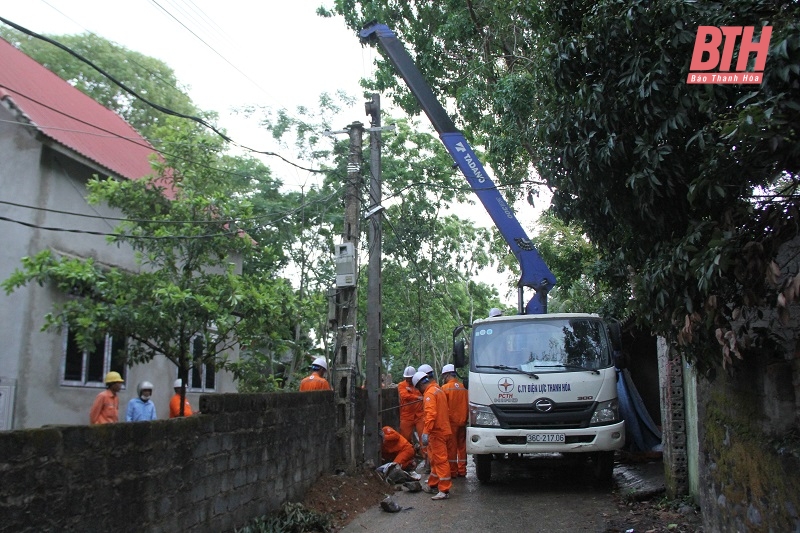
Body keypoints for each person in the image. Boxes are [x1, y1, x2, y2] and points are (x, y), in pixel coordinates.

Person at [413, 370, 452, 500]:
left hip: (437, 432)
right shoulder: (438, 390)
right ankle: (433, 484)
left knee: (440, 460)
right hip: (443, 429)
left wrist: (426, 432)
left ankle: (444, 489)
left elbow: (431, 415)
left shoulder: (429, 394)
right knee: (435, 459)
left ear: (420, 385)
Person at [441, 364, 468, 477]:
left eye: (444, 376)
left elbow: (442, 407)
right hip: (463, 421)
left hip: (451, 423)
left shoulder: (444, 388)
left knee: (451, 447)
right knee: (462, 447)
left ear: (447, 375)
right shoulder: (464, 387)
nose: (443, 378)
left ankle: (453, 471)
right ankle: (462, 470)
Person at [398, 365, 424, 449]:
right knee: (404, 438)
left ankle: (425, 454)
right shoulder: (401, 385)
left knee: (423, 437)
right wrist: (417, 397)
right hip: (406, 416)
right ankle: (408, 453)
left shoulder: (420, 384)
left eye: (410, 378)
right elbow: (404, 396)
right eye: (407, 378)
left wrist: (411, 392)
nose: (408, 380)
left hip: (419, 415)